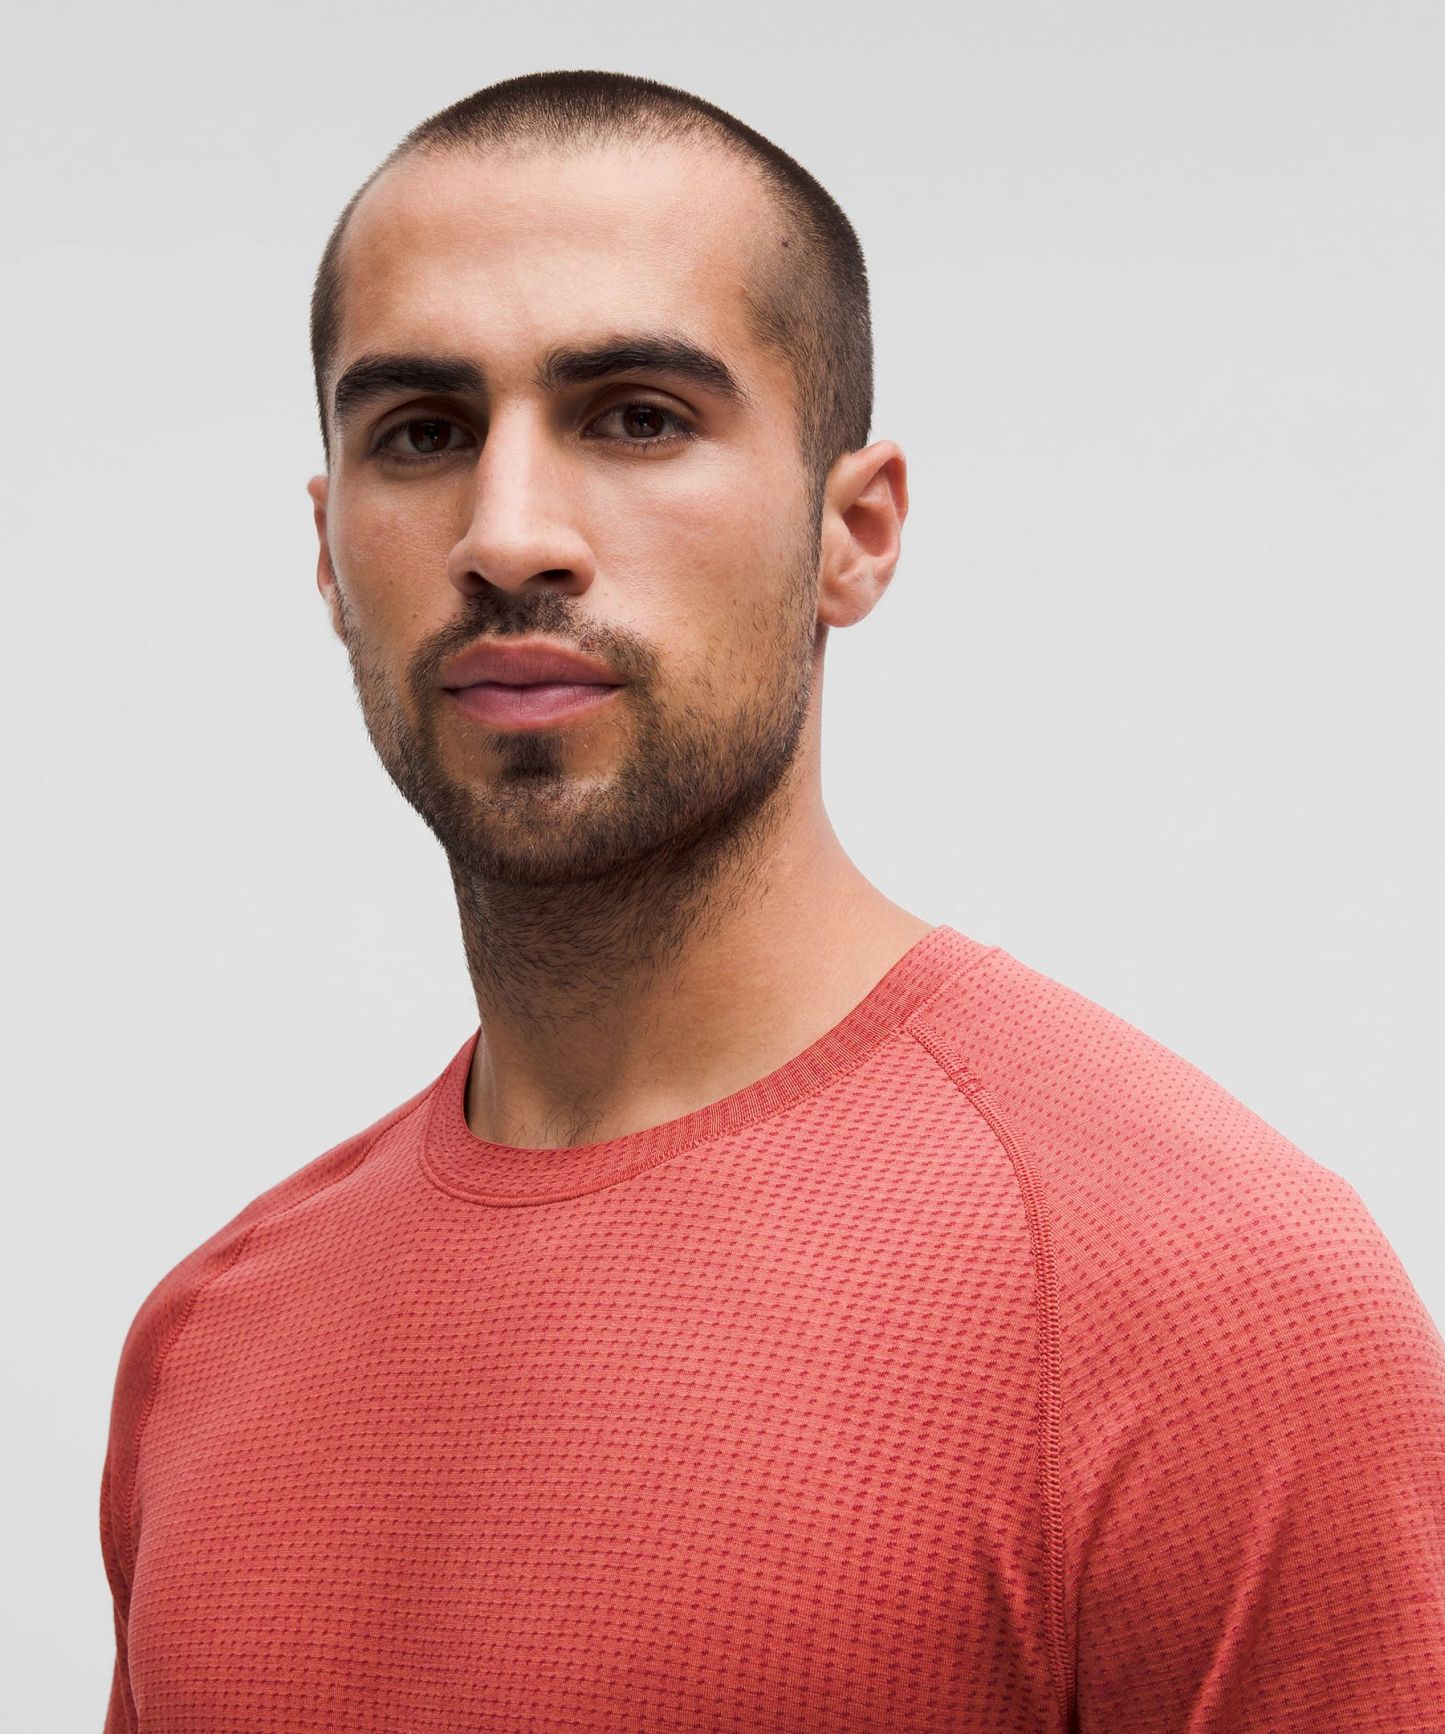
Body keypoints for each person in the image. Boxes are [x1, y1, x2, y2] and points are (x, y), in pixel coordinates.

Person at [97, 69, 1445, 1733]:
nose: (507, 536)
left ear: (852, 532)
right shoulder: (212, 1340)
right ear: (327, 550)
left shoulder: (1206, 1306)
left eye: (635, 417)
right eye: (422, 434)